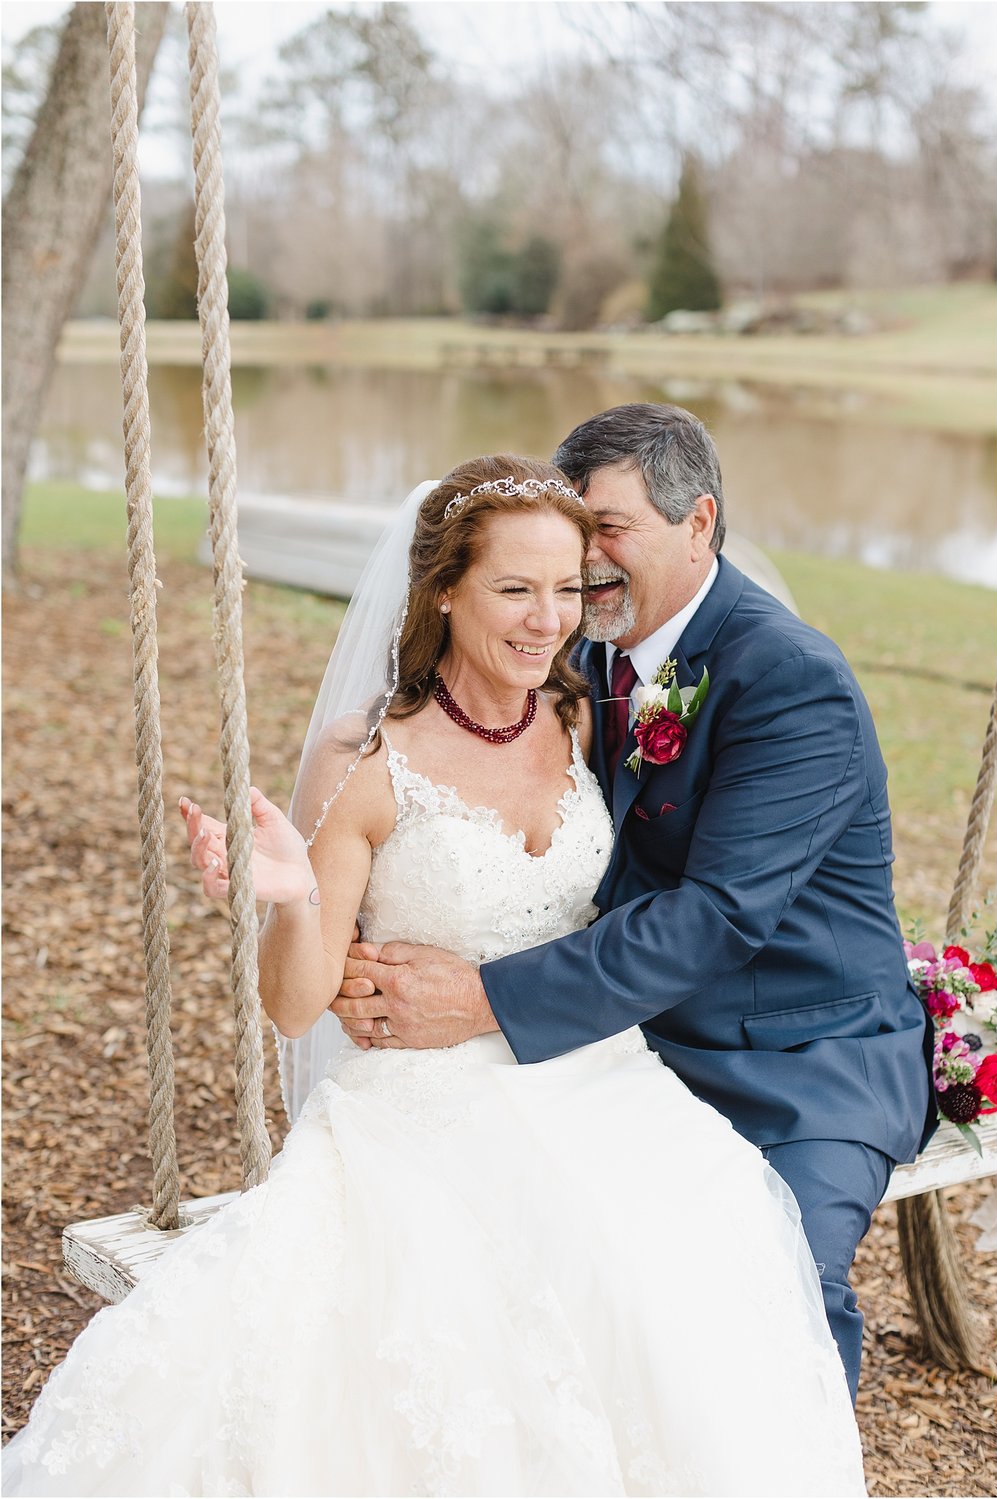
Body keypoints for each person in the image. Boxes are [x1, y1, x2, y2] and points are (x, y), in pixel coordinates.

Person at [2, 453, 867, 1498]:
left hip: (600, 1076)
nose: (547, 619)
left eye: (565, 588)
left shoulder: (583, 715)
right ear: (443, 589)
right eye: (514, 588)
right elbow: (292, 1000)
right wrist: (292, 896)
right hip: (422, 1099)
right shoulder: (363, 754)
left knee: (695, 1276)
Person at [332, 405, 937, 1404]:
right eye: (575, 532)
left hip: (798, 1053)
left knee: (771, 1275)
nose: (584, 560)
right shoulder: (581, 660)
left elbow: (715, 916)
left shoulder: (790, 681)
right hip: (626, 1037)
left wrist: (478, 996)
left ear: (697, 524)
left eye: (608, 528)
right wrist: (366, 955)